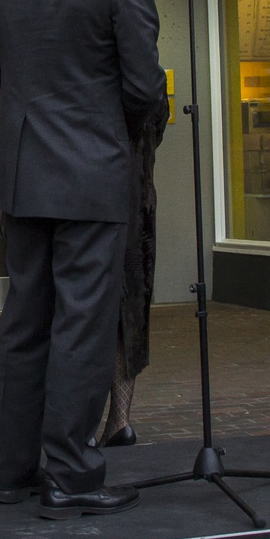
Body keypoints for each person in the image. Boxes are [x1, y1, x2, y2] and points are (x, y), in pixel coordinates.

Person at [0, 0, 165, 520]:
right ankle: (72, 472)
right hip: (93, 173)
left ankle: (13, 469)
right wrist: (111, 130)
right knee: (83, 325)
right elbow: (144, 85)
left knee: (25, 319)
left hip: (25, 171)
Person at [99, 108, 166, 449]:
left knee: (96, 301)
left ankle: (103, 423)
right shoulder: (141, 62)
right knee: (128, 307)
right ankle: (119, 419)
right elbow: (154, 108)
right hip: (133, 188)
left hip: (105, 186)